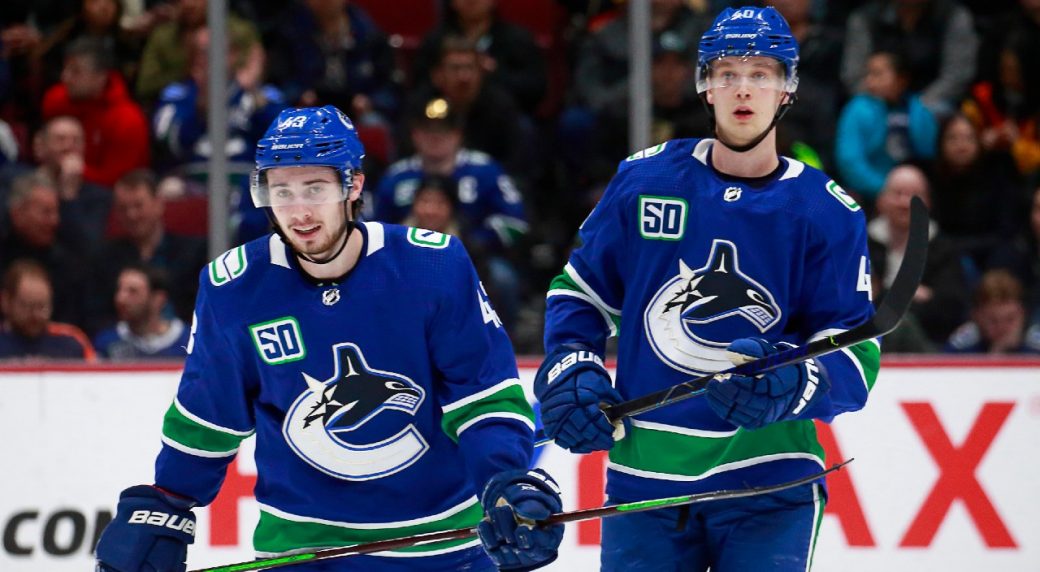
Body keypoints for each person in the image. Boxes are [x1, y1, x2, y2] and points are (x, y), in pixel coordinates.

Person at [94, 105, 563, 572]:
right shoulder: (233, 287)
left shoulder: (434, 267)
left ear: (352, 185)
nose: (298, 211)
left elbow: (482, 398)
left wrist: (506, 480)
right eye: (281, 191)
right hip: (301, 549)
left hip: (440, 546)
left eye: (315, 189)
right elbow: (209, 416)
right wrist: (168, 502)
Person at [535, 7, 879, 571]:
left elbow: (857, 355)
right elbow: (581, 295)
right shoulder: (645, 182)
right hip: (646, 485)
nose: (744, 89)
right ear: (705, 86)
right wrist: (572, 364)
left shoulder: (825, 210)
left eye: (762, 74)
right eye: (727, 73)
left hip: (769, 487)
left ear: (787, 88)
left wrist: (796, 382)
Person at [0, 258, 95, 360]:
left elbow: (95, 372)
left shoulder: (72, 342)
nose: (35, 315)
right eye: (27, 306)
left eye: (42, 307)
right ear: (6, 302)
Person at [93, 264, 191, 360]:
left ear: (158, 299)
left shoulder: (190, 341)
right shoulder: (107, 342)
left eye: (133, 291)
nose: (120, 299)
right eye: (119, 290)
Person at [945, 269, 1040, 354]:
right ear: (976, 317)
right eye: (993, 321)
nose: (1002, 328)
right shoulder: (962, 345)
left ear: (1023, 314)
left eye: (1010, 319)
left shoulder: (1036, 344)